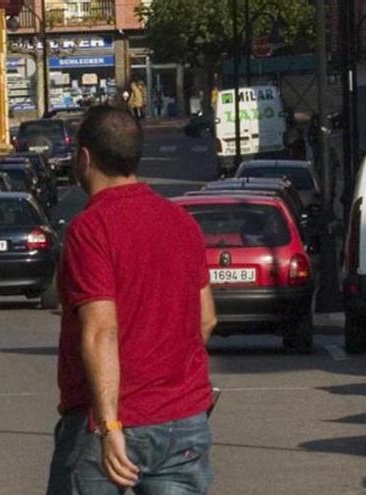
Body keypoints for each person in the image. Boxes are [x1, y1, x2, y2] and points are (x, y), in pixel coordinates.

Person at [47, 105, 217, 494]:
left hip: (109, 424)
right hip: (183, 420)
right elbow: (205, 318)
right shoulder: (181, 223)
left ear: (85, 158)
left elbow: (99, 331)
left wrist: (109, 426)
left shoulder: (90, 229)